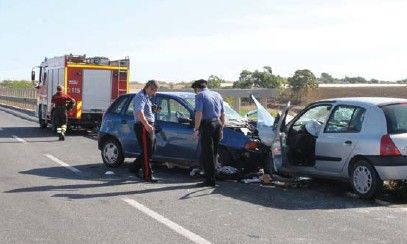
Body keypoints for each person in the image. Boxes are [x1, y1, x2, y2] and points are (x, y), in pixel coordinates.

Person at [192, 79, 225, 187]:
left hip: (207, 125)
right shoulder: (217, 94)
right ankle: (213, 176)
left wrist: (196, 129)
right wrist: (222, 128)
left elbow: (199, 112)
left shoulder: (200, 95)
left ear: (197, 88)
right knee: (214, 153)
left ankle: (210, 180)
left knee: (207, 153)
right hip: (217, 123)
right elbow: (223, 113)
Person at [131, 80, 160, 182]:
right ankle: (148, 175)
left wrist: (154, 110)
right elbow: (139, 112)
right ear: (149, 88)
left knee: (150, 150)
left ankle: (134, 168)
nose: (154, 93)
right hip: (143, 126)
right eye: (154, 91)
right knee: (147, 152)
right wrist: (147, 125)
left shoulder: (146, 97)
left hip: (147, 125)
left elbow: (145, 111)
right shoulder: (141, 96)